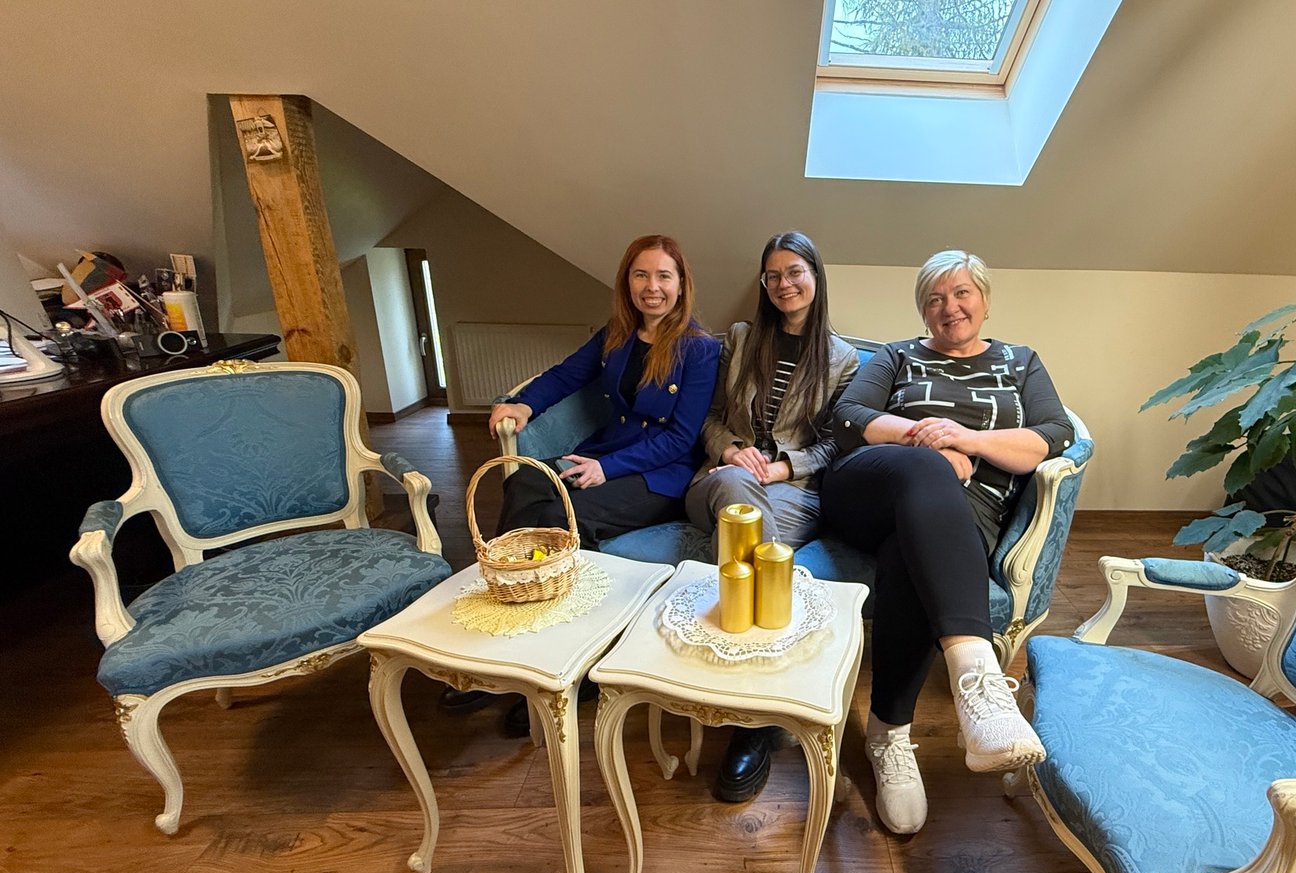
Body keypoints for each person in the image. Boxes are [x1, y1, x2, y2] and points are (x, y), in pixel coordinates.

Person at [822, 250, 1073, 834]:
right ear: (922, 310)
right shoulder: (897, 355)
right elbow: (848, 415)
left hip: (966, 514)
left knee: (910, 554)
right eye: (934, 299)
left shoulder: (1021, 361)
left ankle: (889, 734)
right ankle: (977, 679)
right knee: (926, 471)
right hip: (869, 489)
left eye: (961, 293)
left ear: (984, 300)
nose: (949, 307)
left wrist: (969, 439)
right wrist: (929, 442)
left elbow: (1054, 434)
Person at [443, 234, 720, 732]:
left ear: (682, 284)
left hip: (659, 475)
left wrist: (606, 469)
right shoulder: (617, 333)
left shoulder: (699, 349)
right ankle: (507, 627)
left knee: (564, 519)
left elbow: (680, 438)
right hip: (607, 451)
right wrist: (523, 404)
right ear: (626, 282)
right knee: (525, 483)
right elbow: (565, 375)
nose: (652, 287)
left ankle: (571, 663)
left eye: (664, 276)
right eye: (641, 275)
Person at [684, 231, 859, 803]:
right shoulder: (739, 339)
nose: (784, 284)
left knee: (754, 534)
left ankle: (746, 708)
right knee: (738, 494)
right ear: (763, 283)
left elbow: (836, 443)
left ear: (816, 276)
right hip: (720, 480)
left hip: (793, 491)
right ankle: (764, 714)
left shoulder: (842, 358)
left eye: (795, 272)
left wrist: (785, 467)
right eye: (774, 275)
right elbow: (710, 418)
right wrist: (732, 451)